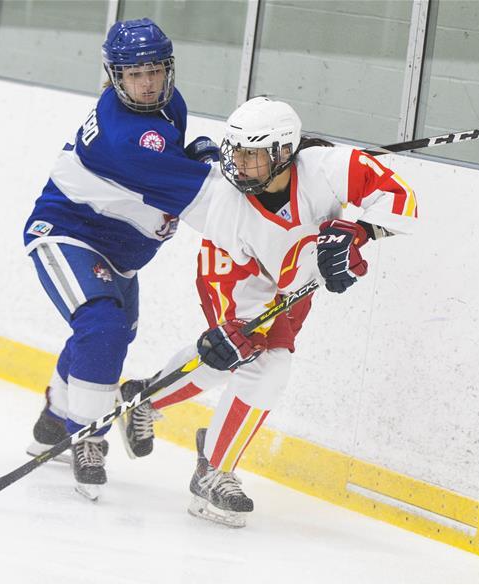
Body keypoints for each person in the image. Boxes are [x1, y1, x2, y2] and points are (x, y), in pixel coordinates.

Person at [118, 97, 419, 526]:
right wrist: (226, 330)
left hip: (291, 277)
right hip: (240, 275)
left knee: (243, 364)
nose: (238, 164)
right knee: (254, 362)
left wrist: (360, 231)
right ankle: (213, 471)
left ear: (282, 153)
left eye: (251, 155)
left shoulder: (329, 169)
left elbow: (403, 203)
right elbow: (221, 278)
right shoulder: (227, 206)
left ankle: (144, 399)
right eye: (234, 151)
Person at [22, 18, 221, 500]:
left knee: (108, 335)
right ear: (114, 76)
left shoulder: (170, 105)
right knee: (103, 328)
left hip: (121, 253)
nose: (148, 83)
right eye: (135, 75)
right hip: (68, 233)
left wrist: (198, 153)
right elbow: (208, 200)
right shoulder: (127, 138)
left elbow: (172, 160)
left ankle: (55, 415)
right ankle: (85, 436)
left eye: (155, 70)